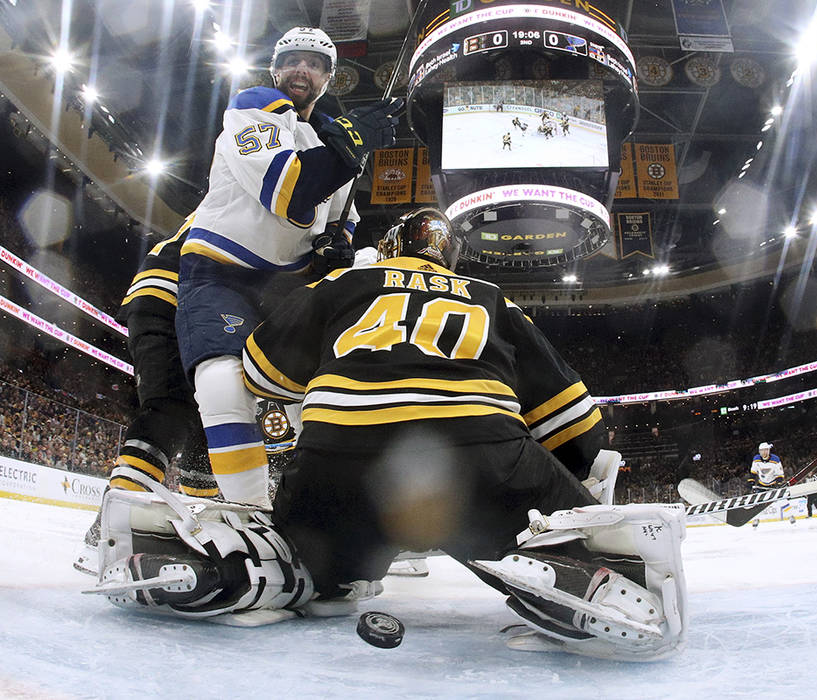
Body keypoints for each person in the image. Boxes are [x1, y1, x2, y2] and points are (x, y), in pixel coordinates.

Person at [89, 208, 685, 662]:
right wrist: (578, 485)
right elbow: (573, 419)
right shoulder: (491, 298)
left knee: (316, 568)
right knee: (547, 519)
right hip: (475, 459)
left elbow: (258, 372)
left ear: (391, 246)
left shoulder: (343, 286)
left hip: (336, 466)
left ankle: (238, 566)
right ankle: (577, 565)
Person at [174, 26, 402, 507]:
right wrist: (347, 145)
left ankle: (325, 515)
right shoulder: (252, 107)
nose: (303, 69)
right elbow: (290, 192)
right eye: (293, 60)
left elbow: (342, 219)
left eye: (315, 64)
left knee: (323, 399)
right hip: (223, 271)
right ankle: (248, 514)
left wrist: (336, 246)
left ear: (329, 79)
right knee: (222, 383)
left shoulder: (330, 142)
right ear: (275, 69)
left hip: (288, 287)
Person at [72, 214, 218, 576]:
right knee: (173, 411)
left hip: (171, 291)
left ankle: (198, 530)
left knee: (208, 419)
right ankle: (109, 532)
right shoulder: (280, 203)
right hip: (186, 294)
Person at [748, 441, 794, 526]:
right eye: (762, 451)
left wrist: (779, 483)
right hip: (762, 484)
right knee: (759, 503)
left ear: (768, 451)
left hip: (773, 484)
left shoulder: (775, 459)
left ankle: (790, 516)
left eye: (765, 450)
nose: (764, 452)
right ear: (759, 451)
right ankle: (756, 519)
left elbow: (780, 474)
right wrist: (751, 481)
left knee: (782, 500)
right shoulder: (756, 459)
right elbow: (753, 472)